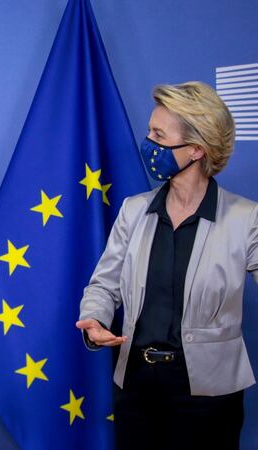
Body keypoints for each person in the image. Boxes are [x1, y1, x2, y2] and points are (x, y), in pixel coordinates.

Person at [76, 81, 258, 449]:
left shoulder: (247, 218)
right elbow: (103, 285)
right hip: (136, 387)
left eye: (158, 134)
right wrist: (94, 320)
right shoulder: (133, 210)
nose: (148, 143)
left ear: (196, 149)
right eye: (149, 132)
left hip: (210, 395)